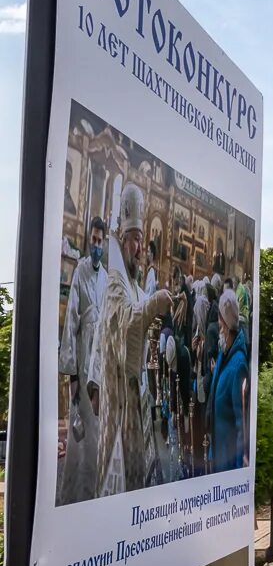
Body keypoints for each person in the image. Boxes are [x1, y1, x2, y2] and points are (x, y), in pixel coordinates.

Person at [87, 183, 172, 496]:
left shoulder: (133, 284)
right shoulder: (116, 282)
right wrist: (152, 306)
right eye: (135, 239)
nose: (140, 247)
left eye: (141, 240)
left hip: (136, 400)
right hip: (120, 400)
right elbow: (121, 324)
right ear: (122, 240)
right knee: (117, 483)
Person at [57, 216, 108, 504]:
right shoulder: (80, 271)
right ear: (90, 240)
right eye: (94, 240)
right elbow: (72, 321)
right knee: (79, 434)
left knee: (96, 434)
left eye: (101, 241)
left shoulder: (105, 277)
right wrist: (73, 374)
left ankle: (92, 497)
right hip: (82, 357)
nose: (97, 245)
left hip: (99, 364)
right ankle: (71, 499)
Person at [208, 288, 248, 473]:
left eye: (219, 321)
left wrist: (239, 473)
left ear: (225, 323)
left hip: (229, 466)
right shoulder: (224, 354)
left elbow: (241, 425)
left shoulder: (238, 365)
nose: (218, 327)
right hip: (218, 458)